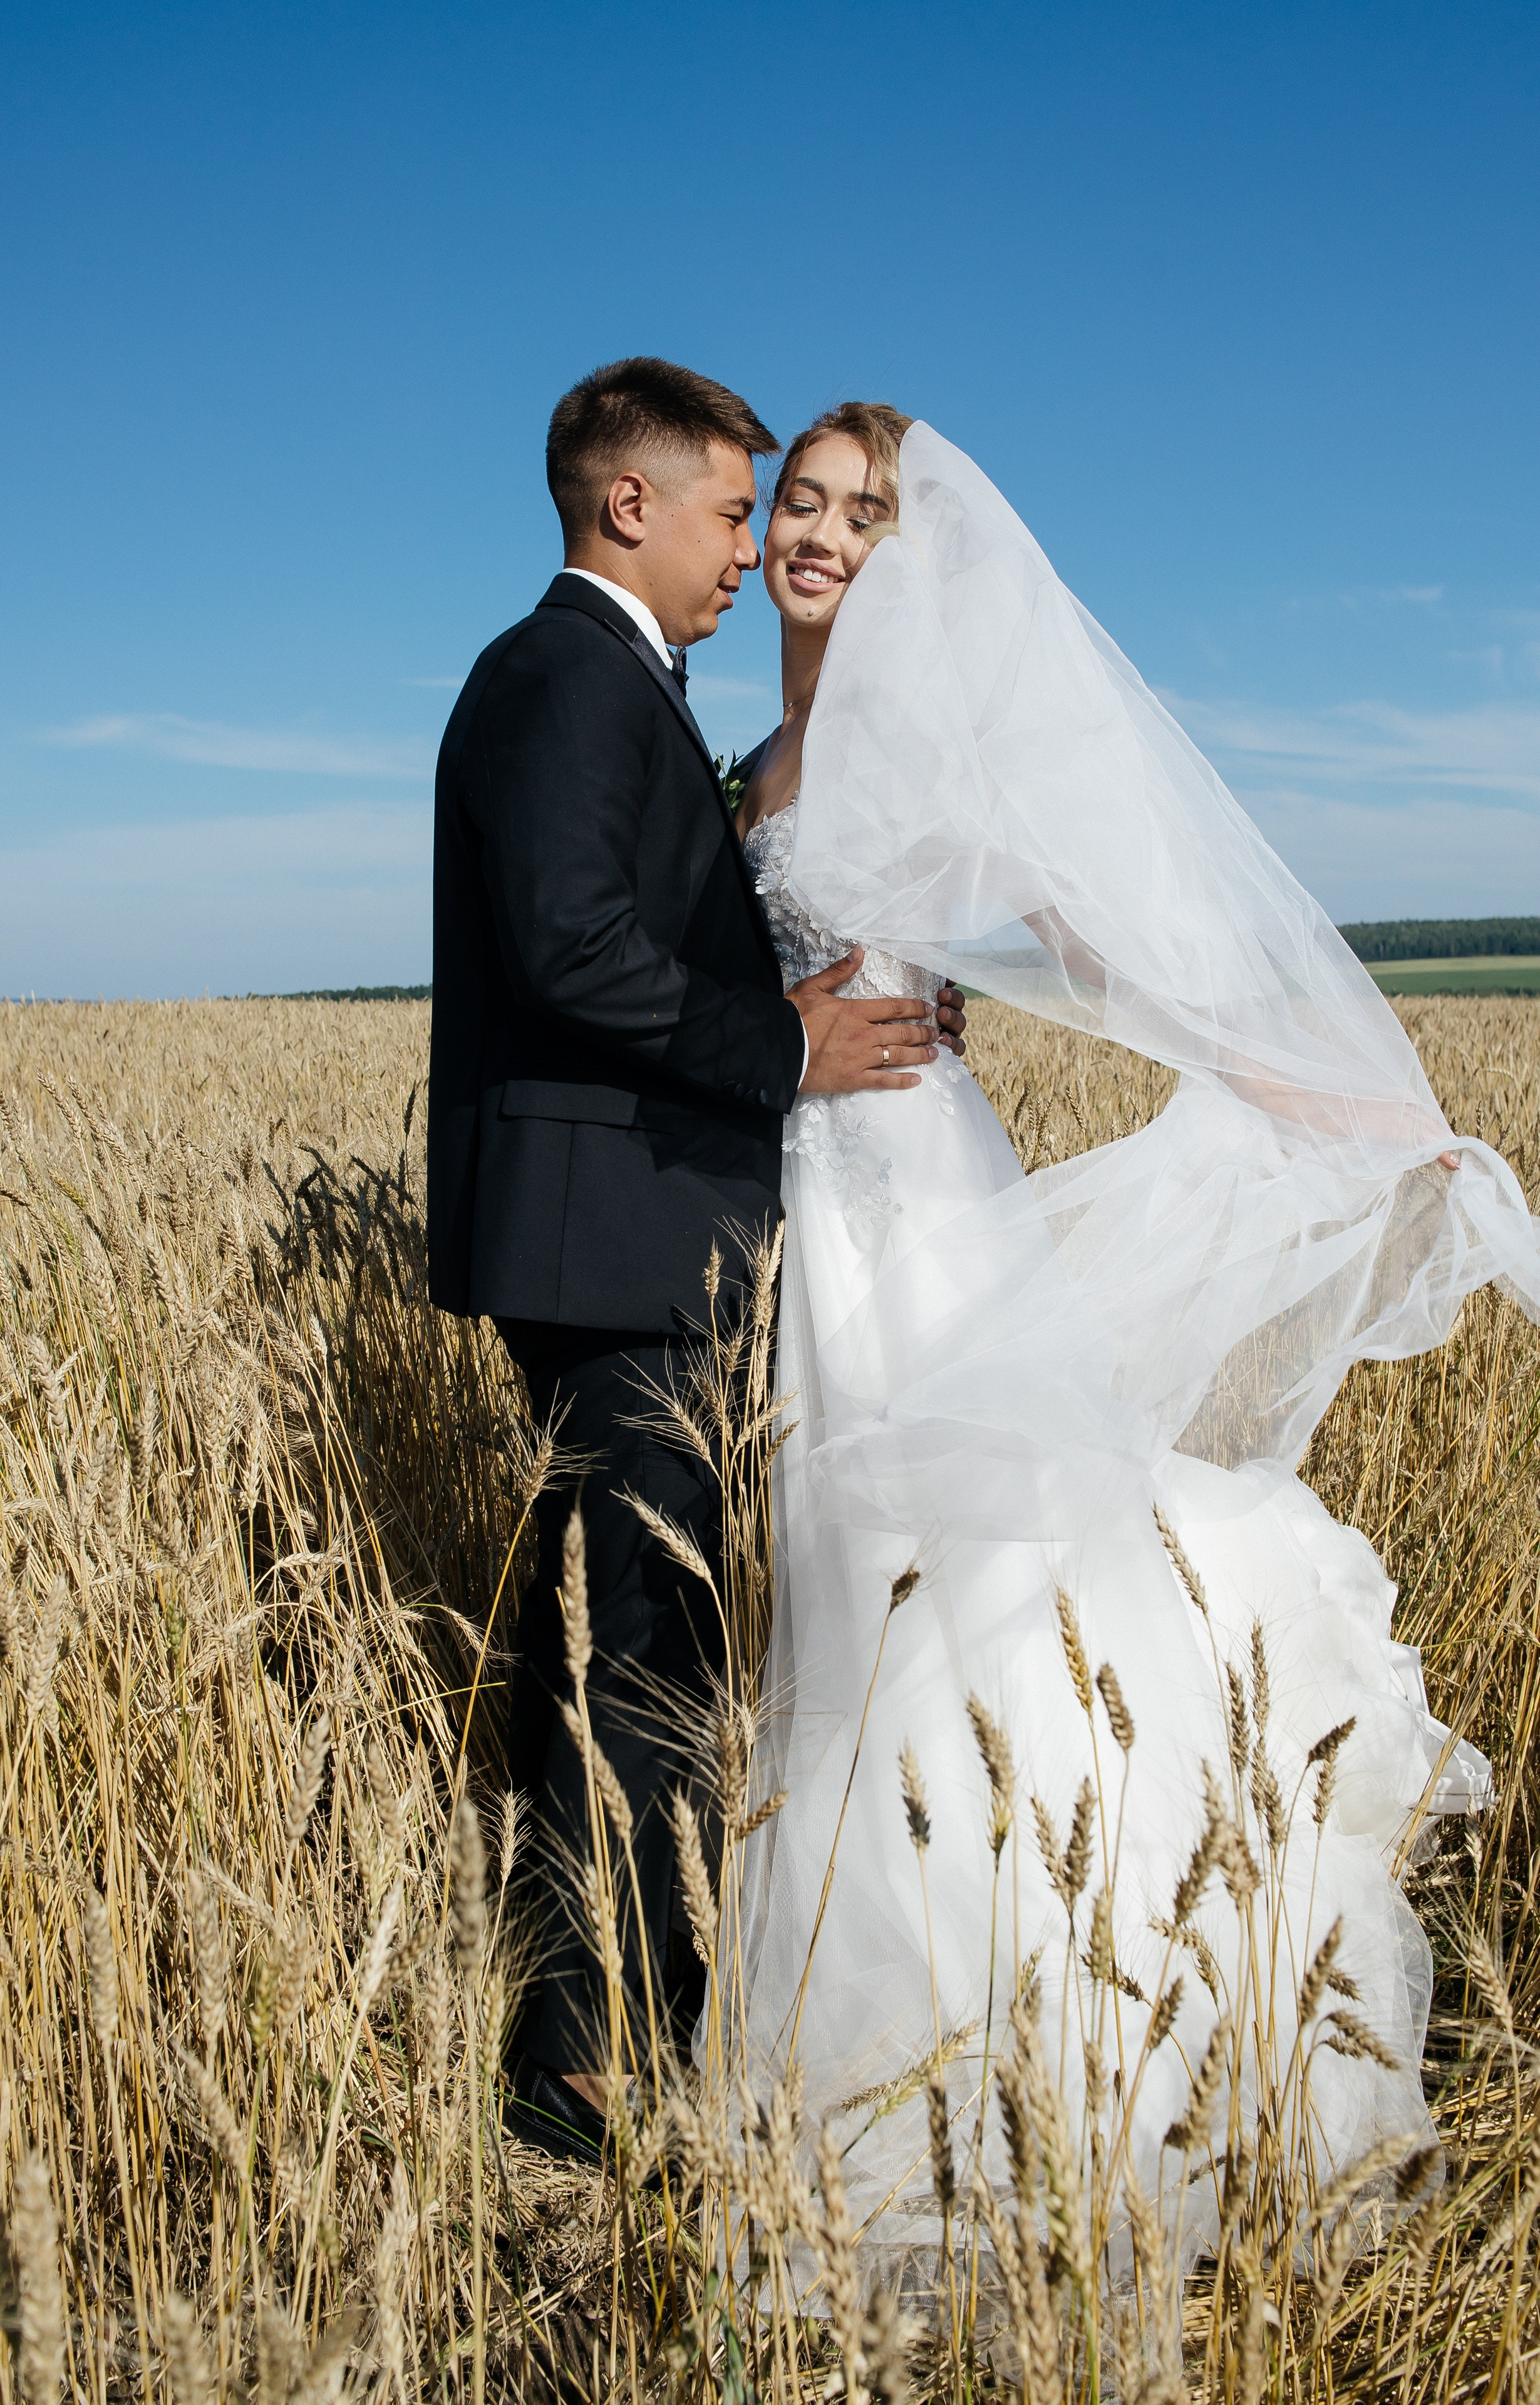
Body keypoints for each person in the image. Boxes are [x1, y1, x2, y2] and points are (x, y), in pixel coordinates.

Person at [721, 403, 1540, 2268]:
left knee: (976, 1590)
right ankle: (865, 2004)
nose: (824, 536)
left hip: (914, 1186)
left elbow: (1090, 940)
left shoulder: (922, 753)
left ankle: (1076, 2034)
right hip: (800, 1194)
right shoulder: (756, 752)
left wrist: (1296, 1075)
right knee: (844, 1588)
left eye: (866, 516)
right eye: (805, 502)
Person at [425, 360, 968, 2163]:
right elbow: (577, 949)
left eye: (795, 513)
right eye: (742, 509)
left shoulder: (618, 689)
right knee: (636, 1645)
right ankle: (584, 2068)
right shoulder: (562, 677)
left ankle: (610, 2016)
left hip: (652, 1229)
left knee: (628, 1630)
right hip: (619, 1237)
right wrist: (792, 1048)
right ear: (631, 506)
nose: (759, 546)